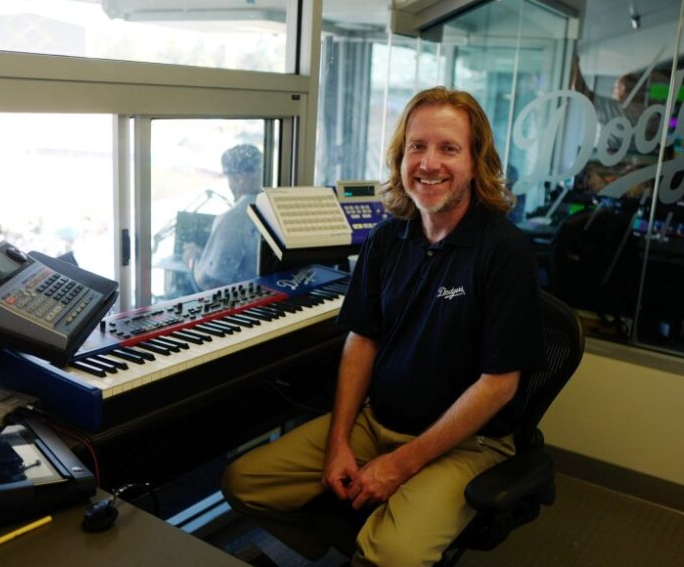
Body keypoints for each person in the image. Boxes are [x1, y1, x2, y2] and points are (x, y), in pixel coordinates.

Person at [221, 87, 546, 566]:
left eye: (449, 148)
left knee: (390, 554)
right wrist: (338, 442)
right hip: (377, 423)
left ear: (476, 163)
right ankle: (337, 548)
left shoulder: (506, 252)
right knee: (244, 483)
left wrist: (401, 464)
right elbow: (362, 339)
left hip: (465, 444)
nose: (428, 163)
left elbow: (499, 385)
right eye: (417, 147)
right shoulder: (387, 238)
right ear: (400, 157)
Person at [186, 144, 264, 290]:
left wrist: (192, 260)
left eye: (229, 177)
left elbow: (210, 282)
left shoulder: (233, 219)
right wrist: (205, 256)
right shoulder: (273, 205)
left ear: (238, 178)